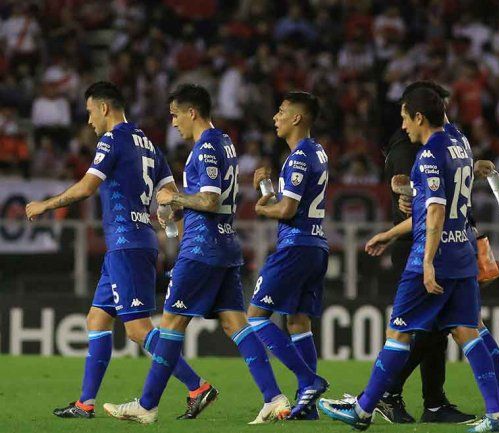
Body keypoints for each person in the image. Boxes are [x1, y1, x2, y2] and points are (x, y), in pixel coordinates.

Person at [318, 88, 499, 433]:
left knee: (399, 331)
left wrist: (427, 261)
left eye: (406, 117)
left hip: (435, 254)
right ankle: (497, 416)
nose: (403, 125)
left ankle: (363, 410)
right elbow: (435, 209)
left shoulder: (428, 156)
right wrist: (390, 234)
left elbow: (434, 212)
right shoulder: (459, 142)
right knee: (468, 331)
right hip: (464, 252)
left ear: (419, 117)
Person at [102, 84, 290, 424]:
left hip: (201, 251)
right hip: (225, 245)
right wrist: (176, 212)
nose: (173, 123)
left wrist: (174, 200)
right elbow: (207, 202)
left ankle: (146, 406)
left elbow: (209, 200)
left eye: (175, 115)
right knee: (236, 324)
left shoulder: (204, 147)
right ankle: (275, 399)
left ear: (192, 113)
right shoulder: (226, 142)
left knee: (171, 324)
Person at [25, 81, 214, 420]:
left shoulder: (111, 140)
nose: (88, 121)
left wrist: (46, 205)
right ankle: (85, 404)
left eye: (89, 112)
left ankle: (197, 386)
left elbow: (87, 186)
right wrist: (164, 213)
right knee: (96, 319)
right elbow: (170, 195)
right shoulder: (149, 145)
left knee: (137, 330)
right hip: (131, 244)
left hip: (127, 245)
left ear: (104, 108)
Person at [380, 81, 499, 426]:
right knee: (445, 330)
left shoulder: (448, 141)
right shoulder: (409, 147)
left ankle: (424, 401)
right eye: (439, 104)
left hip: (443, 246)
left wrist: (472, 170)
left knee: (448, 331)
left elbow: (442, 192)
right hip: (421, 247)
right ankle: (391, 395)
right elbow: (421, 204)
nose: (444, 112)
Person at [247, 91, 330, 420]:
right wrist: (268, 189)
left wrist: (262, 206)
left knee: (255, 318)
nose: (275, 118)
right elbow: (295, 201)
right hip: (316, 246)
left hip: (295, 247)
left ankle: (310, 380)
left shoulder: (297, 157)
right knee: (297, 321)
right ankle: (307, 408)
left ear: (297, 118)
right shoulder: (318, 152)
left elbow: (287, 209)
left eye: (281, 112)